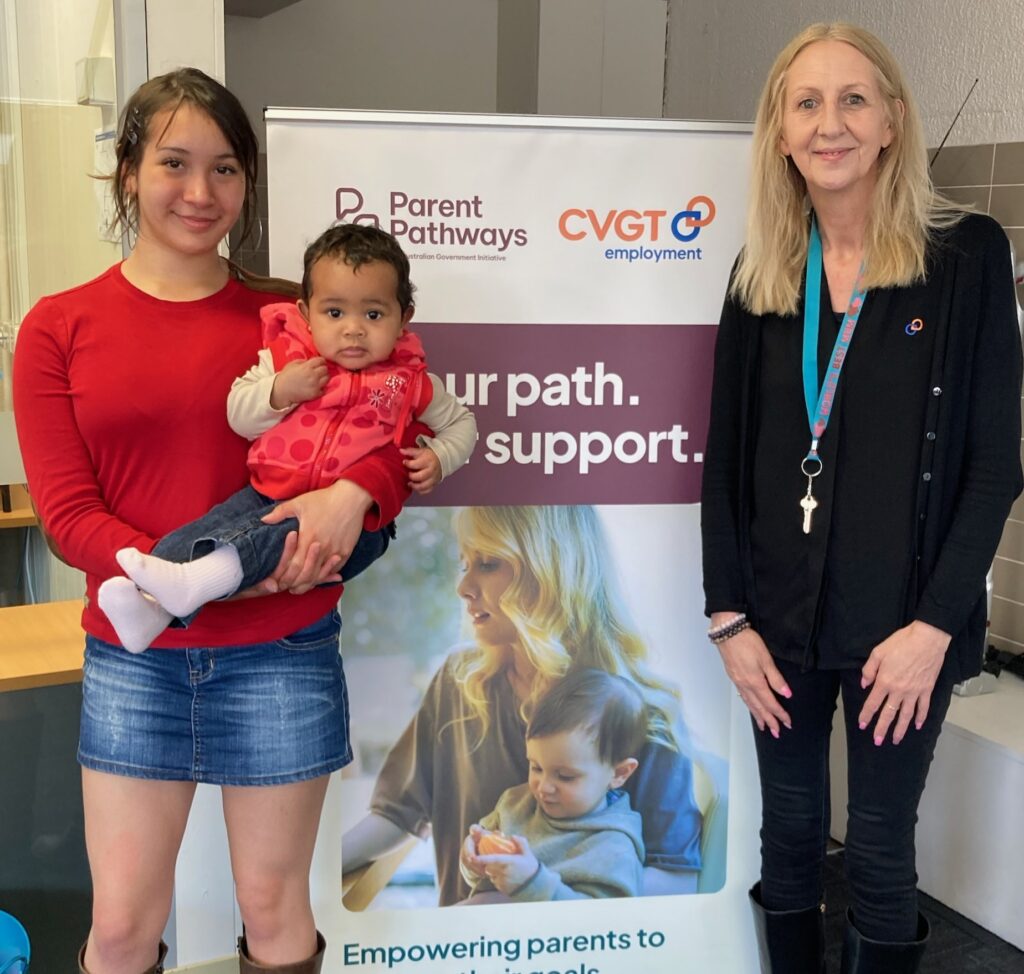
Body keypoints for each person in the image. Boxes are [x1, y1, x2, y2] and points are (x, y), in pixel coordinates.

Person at [13, 69, 428, 974]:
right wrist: (170, 579)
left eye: (226, 168)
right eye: (174, 163)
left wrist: (356, 495)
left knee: (276, 912)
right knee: (121, 928)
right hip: (135, 658)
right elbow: (68, 513)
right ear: (128, 171)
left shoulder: (296, 314)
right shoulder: (59, 326)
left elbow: (391, 431)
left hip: (280, 650)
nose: (201, 193)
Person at [700, 23, 1022, 974]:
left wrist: (933, 627)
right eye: (807, 103)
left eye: (852, 100)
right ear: (780, 131)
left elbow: (995, 466)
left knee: (881, 852)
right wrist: (728, 618)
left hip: (900, 634)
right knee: (789, 840)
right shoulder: (762, 274)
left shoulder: (963, 257)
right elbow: (723, 462)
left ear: (891, 122)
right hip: (776, 623)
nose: (829, 123)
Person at [96, 223, 477, 653]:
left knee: (266, 538)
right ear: (306, 312)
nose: (353, 329)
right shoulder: (285, 361)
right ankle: (150, 608)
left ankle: (188, 586)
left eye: (373, 314)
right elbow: (238, 414)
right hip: (267, 492)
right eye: (334, 313)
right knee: (205, 530)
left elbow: (462, 424)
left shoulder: (408, 382)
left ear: (403, 317)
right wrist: (280, 390)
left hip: (358, 526)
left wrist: (441, 457)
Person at [342, 505, 703, 905]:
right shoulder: (458, 681)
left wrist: (528, 899)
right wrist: (306, 871)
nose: (463, 587)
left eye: (489, 563)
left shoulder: (644, 714)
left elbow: (675, 882)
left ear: (550, 570)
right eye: (466, 563)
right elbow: (396, 815)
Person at [459, 668, 646, 903]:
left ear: (619, 773)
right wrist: (473, 860)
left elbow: (602, 926)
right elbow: (479, 879)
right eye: (536, 767)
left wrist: (531, 883)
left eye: (565, 776)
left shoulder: (612, 847)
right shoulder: (515, 804)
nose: (543, 787)